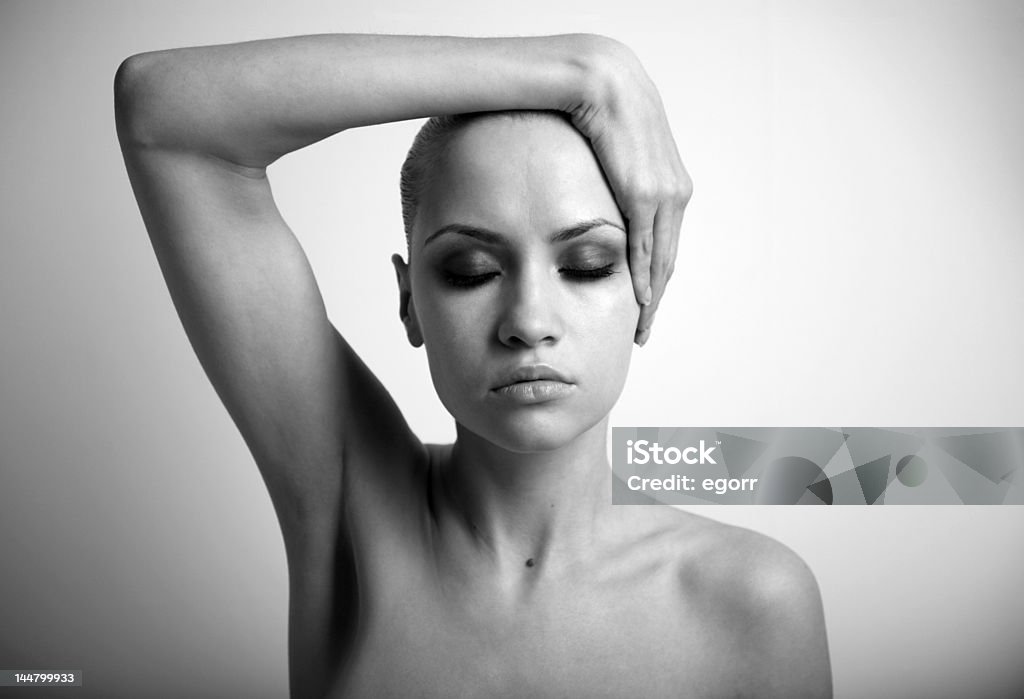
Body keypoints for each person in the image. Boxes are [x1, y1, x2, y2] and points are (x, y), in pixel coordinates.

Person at [114, 33, 831, 698]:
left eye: (585, 264)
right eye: (471, 268)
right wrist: (589, 70)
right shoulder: (350, 514)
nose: (528, 321)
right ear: (410, 303)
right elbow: (166, 114)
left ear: (650, 276)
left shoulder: (755, 600)